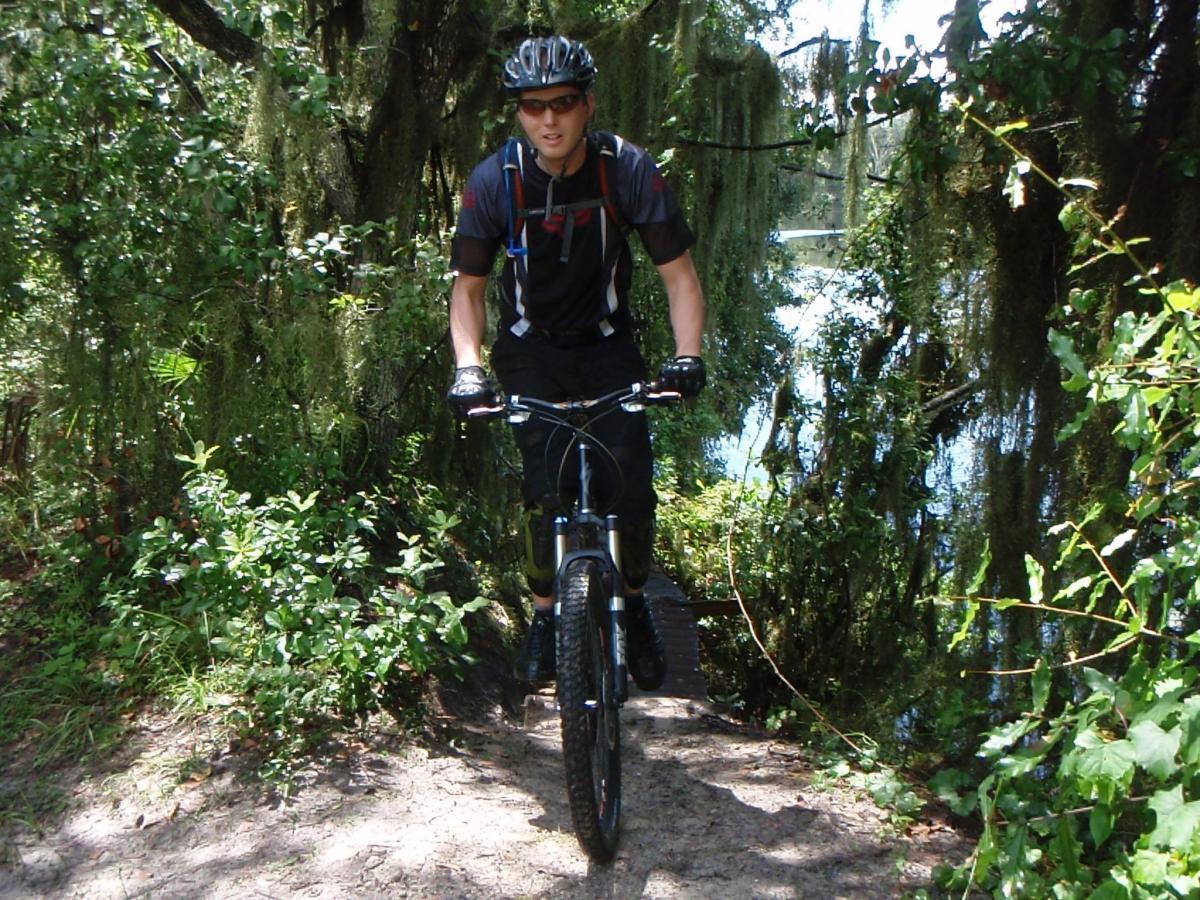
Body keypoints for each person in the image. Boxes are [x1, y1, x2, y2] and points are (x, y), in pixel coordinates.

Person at [445, 35, 706, 691]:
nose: (549, 120)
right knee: (544, 490)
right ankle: (541, 620)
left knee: (635, 490)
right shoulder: (494, 181)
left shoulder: (627, 170)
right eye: (533, 108)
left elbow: (679, 278)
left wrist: (687, 357)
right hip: (530, 353)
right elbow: (468, 291)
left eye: (563, 103)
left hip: (609, 346)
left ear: (587, 105)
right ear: (520, 114)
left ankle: (638, 605)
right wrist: (468, 367)